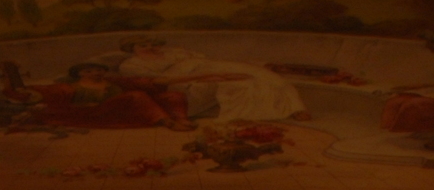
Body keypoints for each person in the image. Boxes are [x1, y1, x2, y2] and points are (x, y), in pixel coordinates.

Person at [114, 37, 305, 122]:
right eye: (143, 45)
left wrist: (222, 70)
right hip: (183, 80)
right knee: (238, 81)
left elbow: (205, 61)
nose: (150, 47)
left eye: (151, 43)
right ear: (131, 48)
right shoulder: (131, 65)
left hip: (204, 67)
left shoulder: (172, 53)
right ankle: (250, 113)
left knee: (258, 74)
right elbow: (162, 80)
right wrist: (216, 76)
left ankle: (296, 107)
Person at [12, 63, 194, 131]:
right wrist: (24, 89)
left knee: (173, 95)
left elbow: (141, 81)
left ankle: (181, 119)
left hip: (124, 110)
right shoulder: (70, 87)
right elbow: (44, 92)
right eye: (89, 71)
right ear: (80, 74)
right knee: (137, 96)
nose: (96, 73)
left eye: (99, 70)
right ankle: (167, 122)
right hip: (96, 112)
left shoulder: (113, 82)